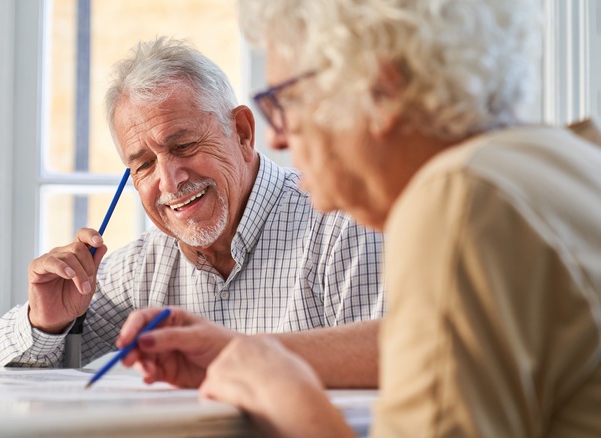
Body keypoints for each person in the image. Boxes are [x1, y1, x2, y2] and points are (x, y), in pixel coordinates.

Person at [117, 1, 601, 436]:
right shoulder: (560, 158)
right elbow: (437, 348)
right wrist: (243, 352)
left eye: (285, 102)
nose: (279, 140)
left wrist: (288, 398)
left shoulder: (457, 198)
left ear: (380, 89)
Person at [0, 36, 384, 382]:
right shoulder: (146, 264)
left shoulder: (342, 229)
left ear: (242, 133)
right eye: (143, 164)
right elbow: (1, 361)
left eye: (183, 146)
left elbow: (393, 370)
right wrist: (47, 323)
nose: (170, 181)